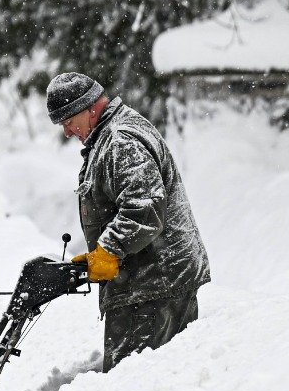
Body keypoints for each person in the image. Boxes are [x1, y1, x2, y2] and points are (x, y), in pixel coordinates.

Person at [46, 72, 210, 371]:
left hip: (153, 285)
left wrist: (108, 250)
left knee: (132, 383)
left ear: (89, 108)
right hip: (154, 280)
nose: (68, 132)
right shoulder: (111, 136)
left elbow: (143, 209)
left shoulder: (120, 140)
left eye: (69, 121)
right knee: (156, 379)